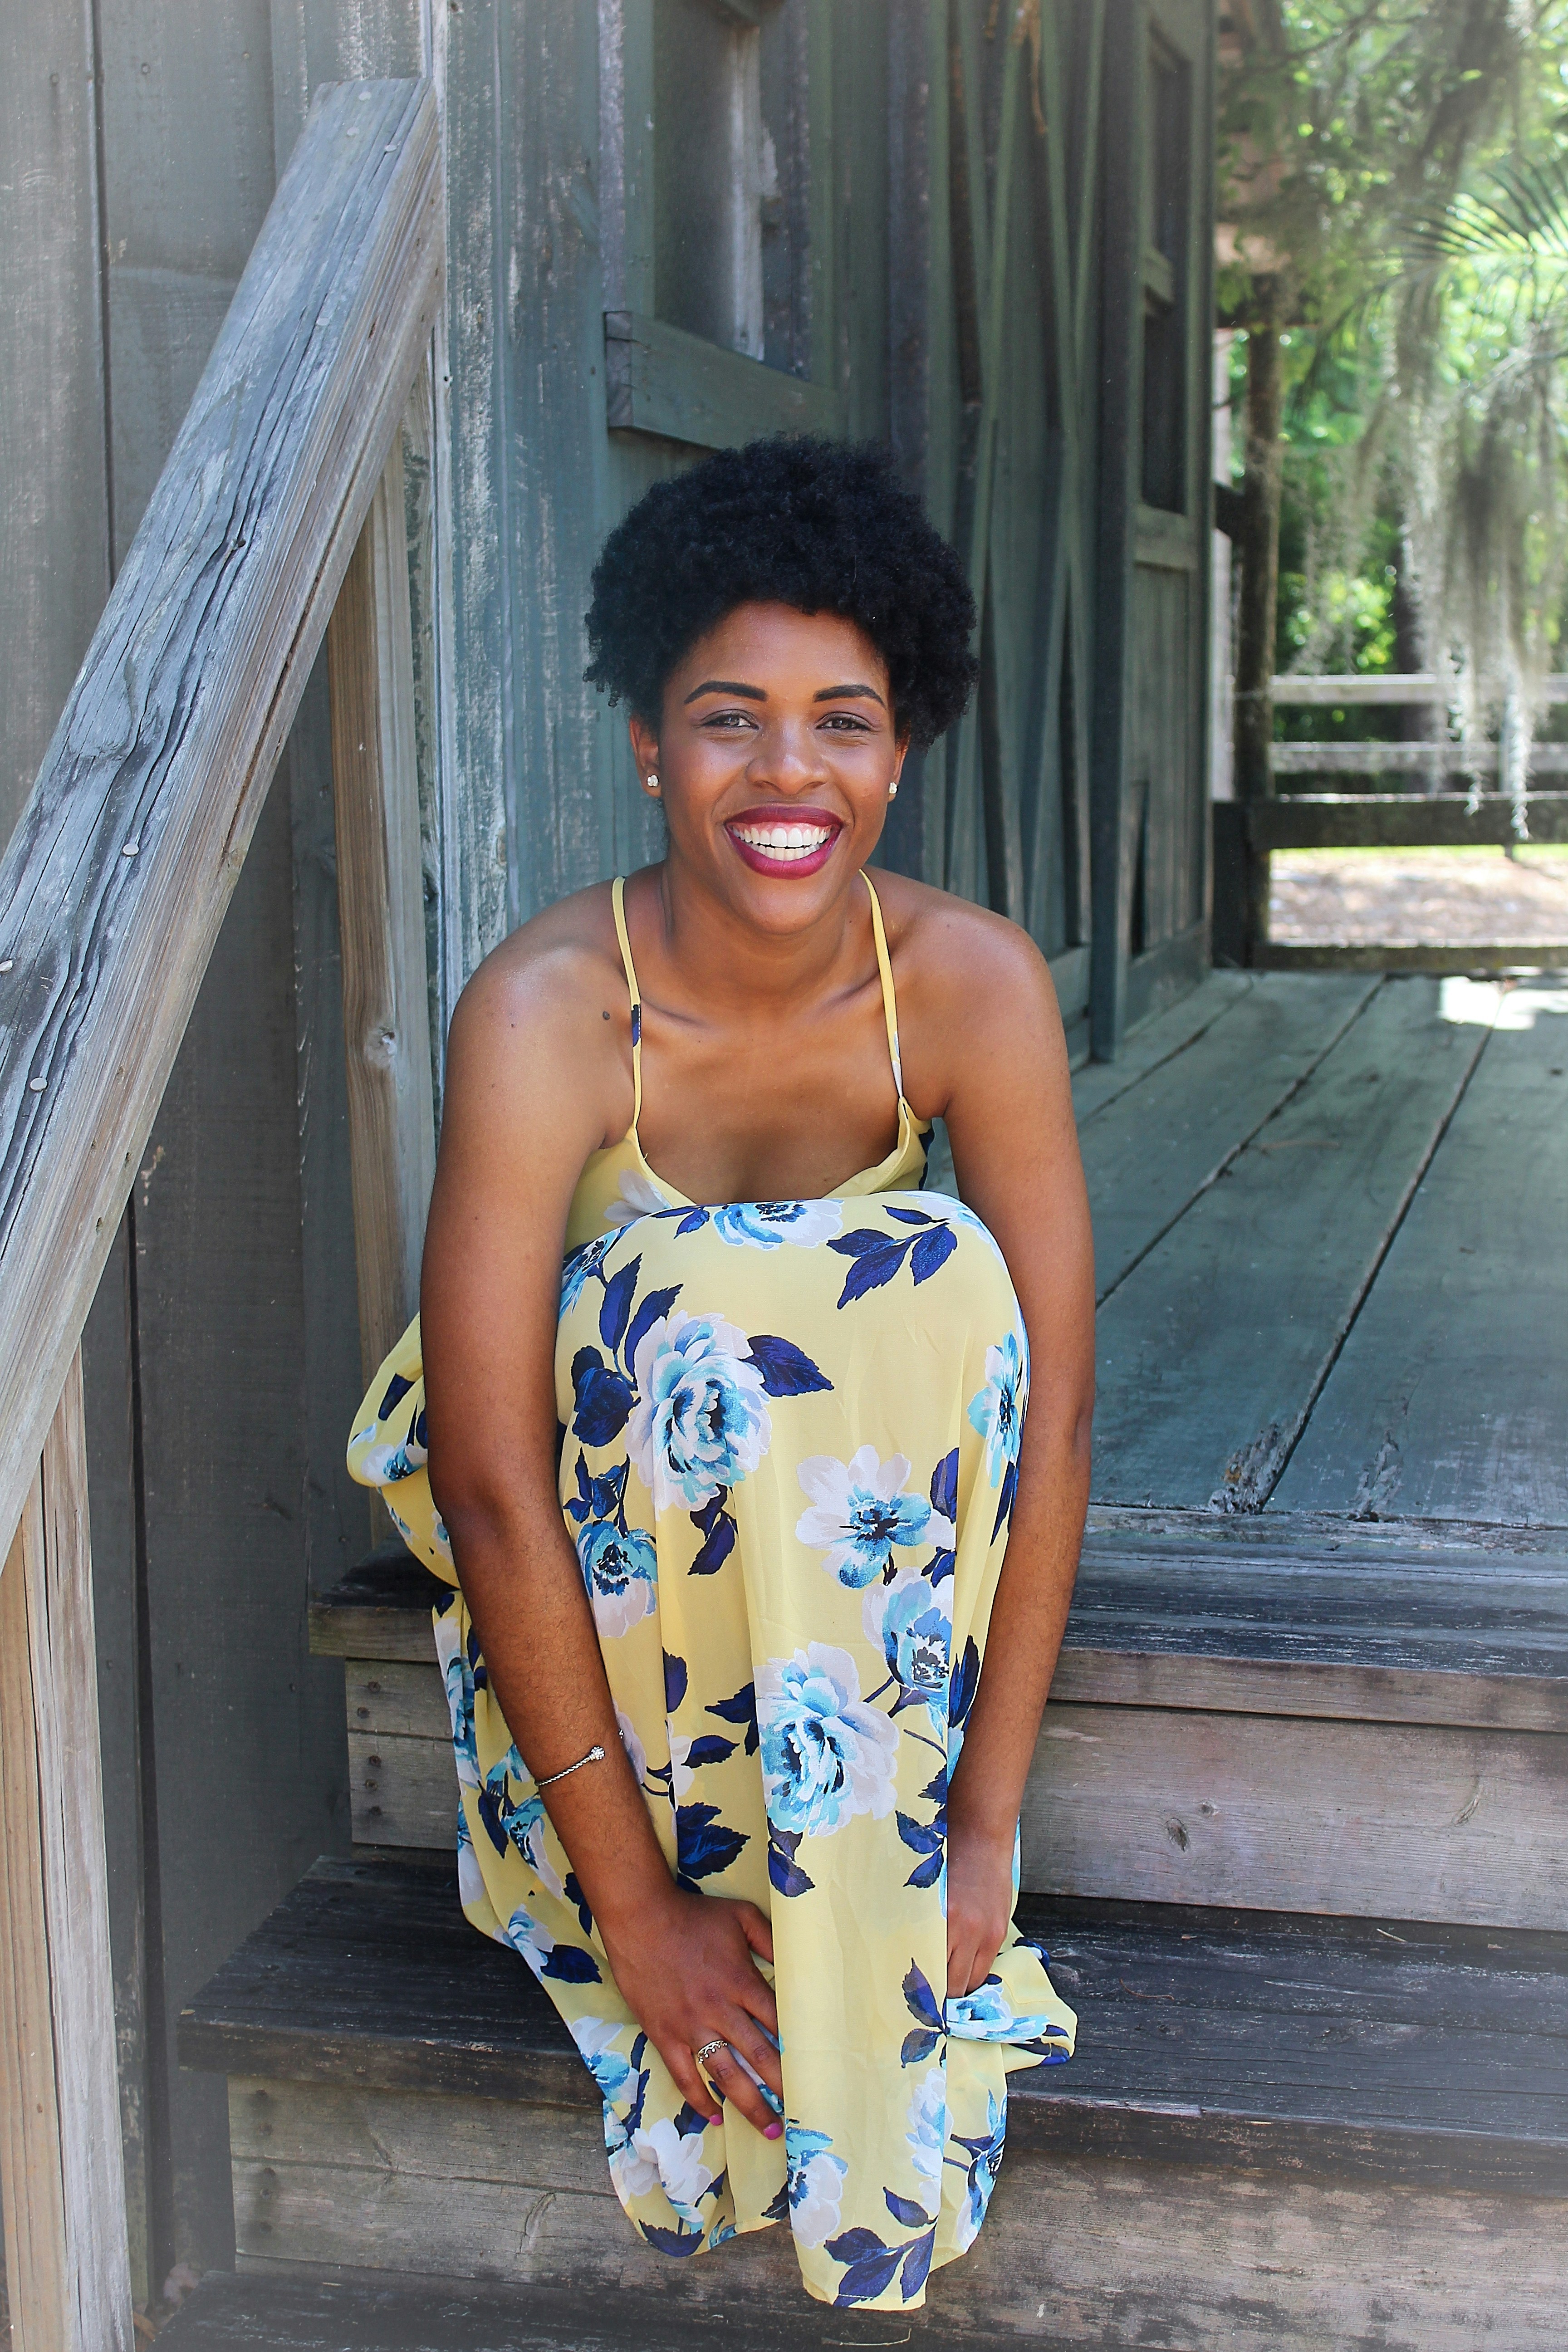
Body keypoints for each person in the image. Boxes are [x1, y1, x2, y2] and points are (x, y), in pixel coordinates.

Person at [348, 436, 1095, 2312]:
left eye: (842, 721)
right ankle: (738, 1935)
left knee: (930, 1279)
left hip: (861, 1657)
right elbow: (498, 1476)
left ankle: (872, 1879)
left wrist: (986, 1832)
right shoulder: (548, 1014)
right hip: (610, 1655)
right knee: (695, 1302)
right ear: (647, 747)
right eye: (727, 719)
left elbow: (1056, 1413)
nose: (788, 775)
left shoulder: (976, 988)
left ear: (901, 748)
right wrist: (643, 1911)